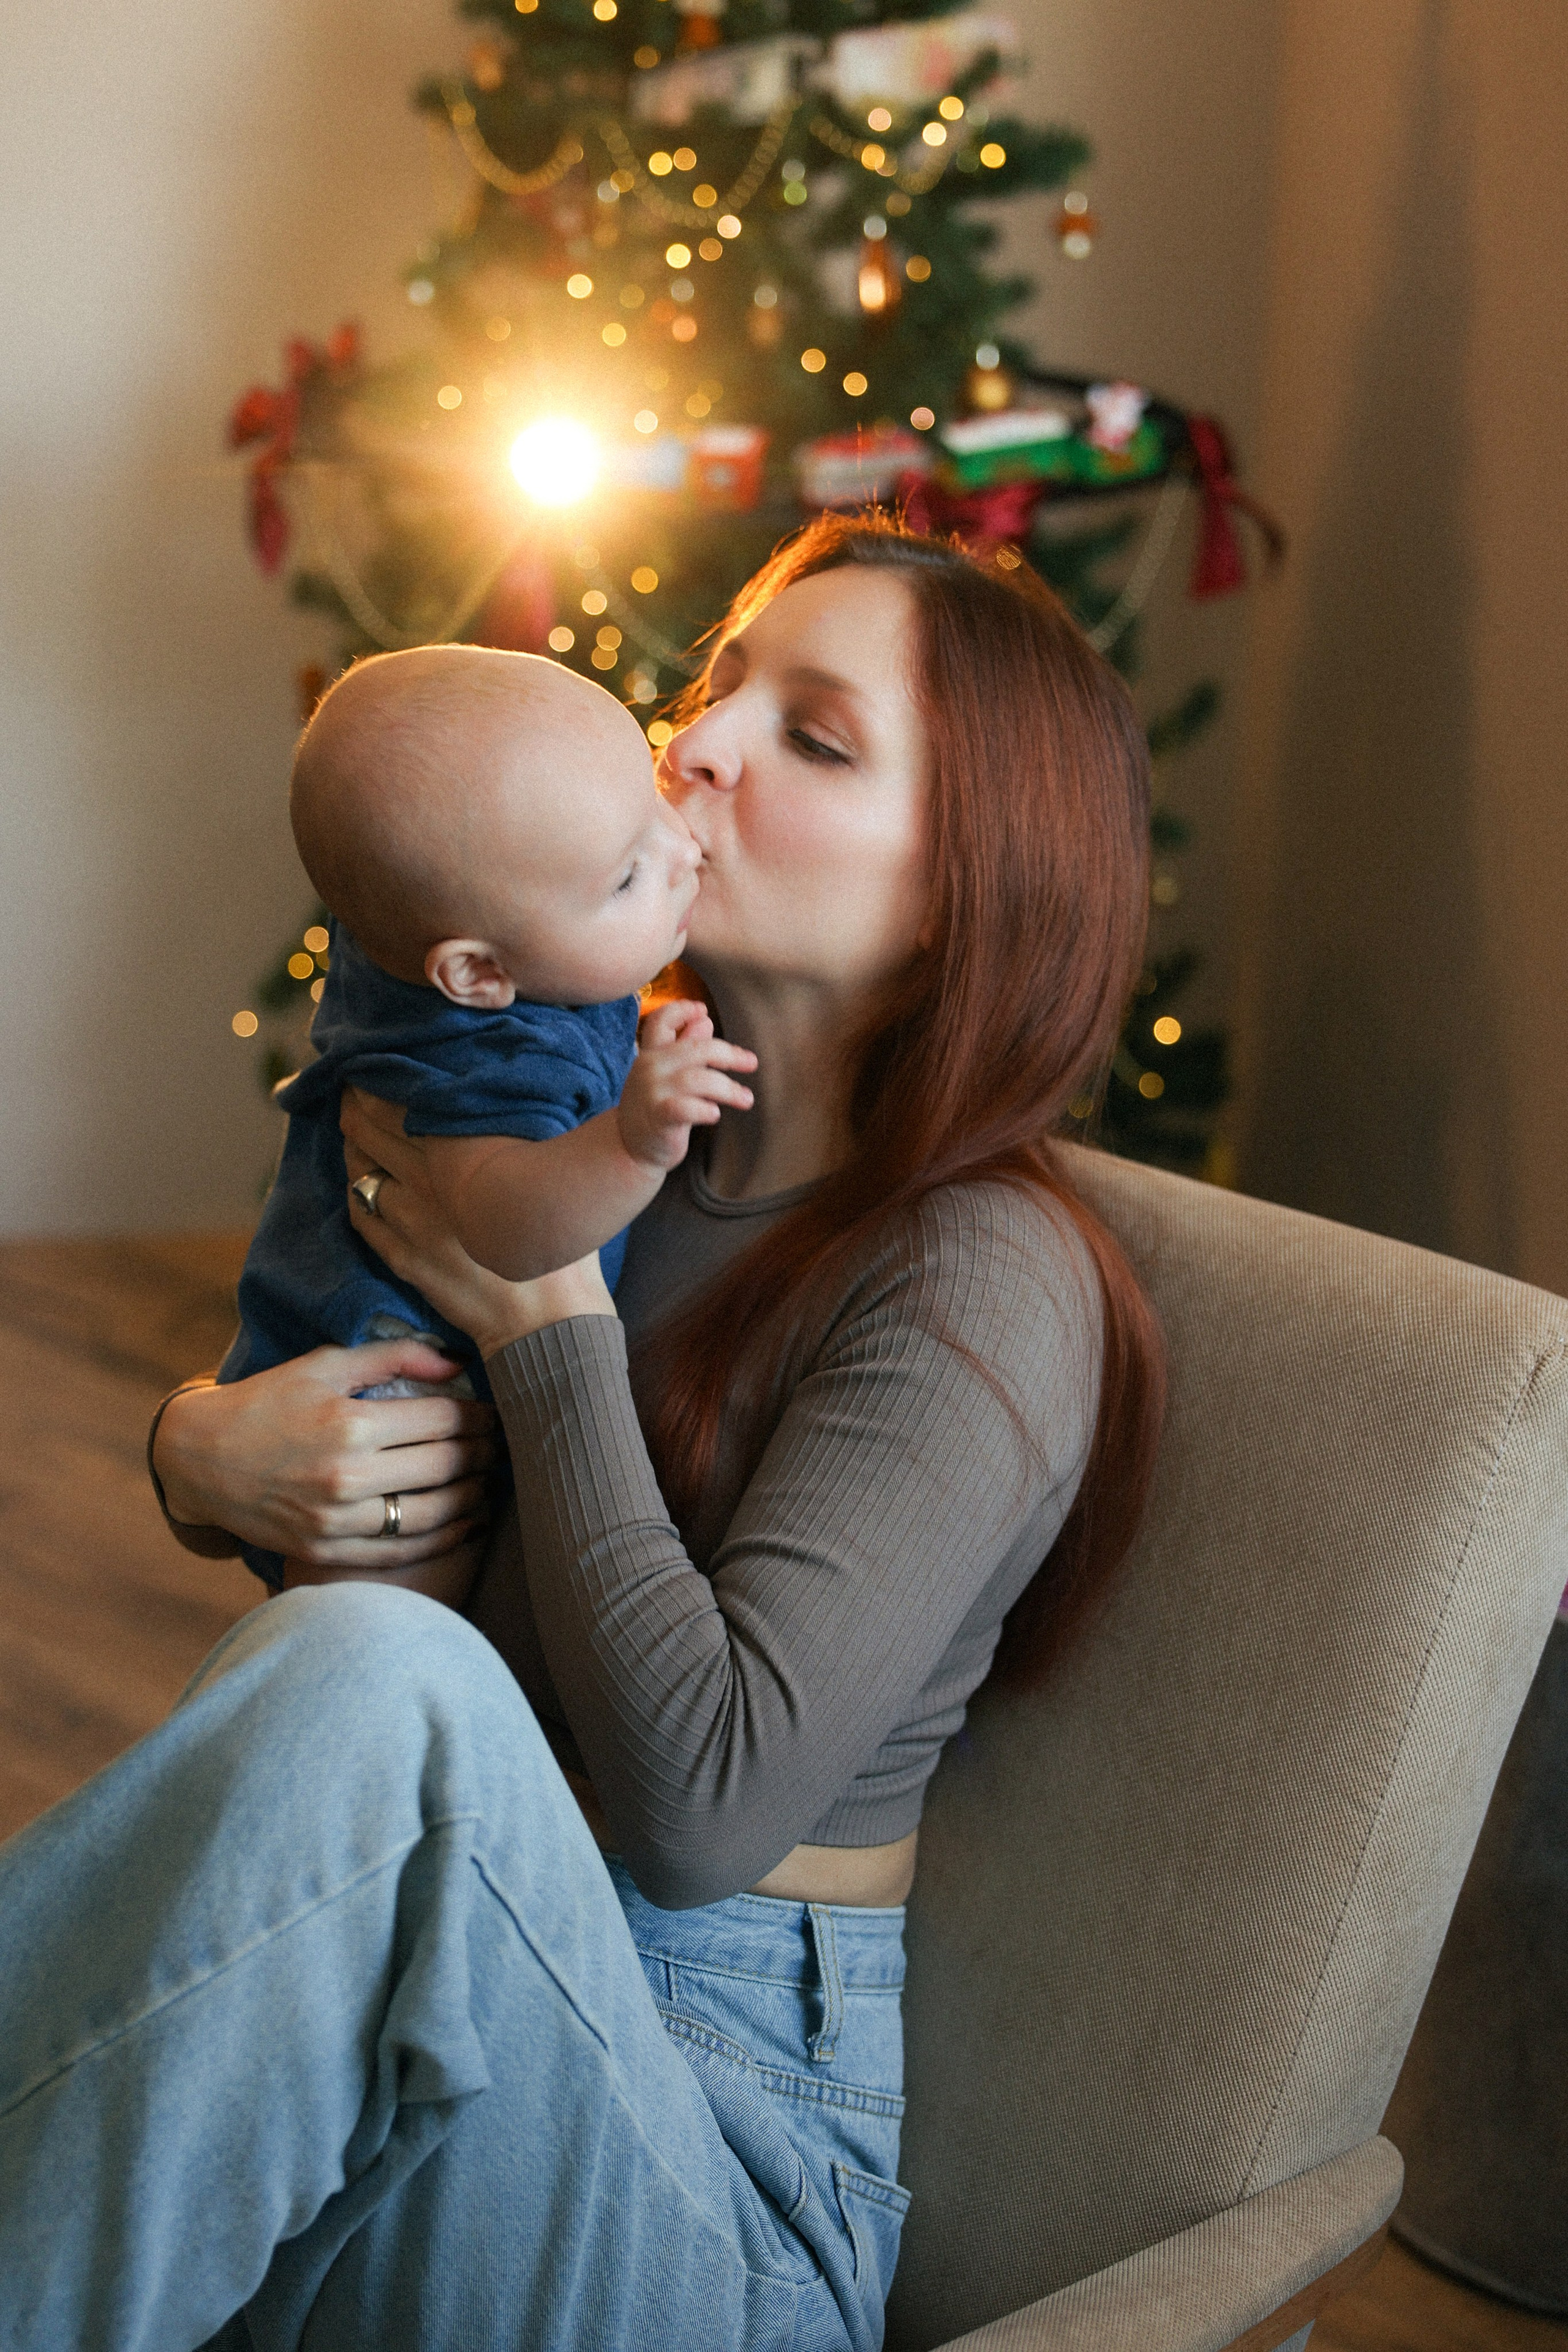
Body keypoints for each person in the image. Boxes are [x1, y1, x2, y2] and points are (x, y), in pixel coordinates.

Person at [0, 513, 1166, 2352]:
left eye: (818, 737)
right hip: (429, 2003)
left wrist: (548, 1318)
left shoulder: (979, 1271)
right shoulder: (592, 1134)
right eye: (720, 687)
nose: (692, 747)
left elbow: (700, 1809)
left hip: (723, 2173)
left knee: (381, 1681)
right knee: (361, 1668)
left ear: (962, 886)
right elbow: (362, 1412)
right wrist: (196, 1448)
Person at [218, 647, 752, 1596]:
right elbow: (503, 1225)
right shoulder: (491, 1055)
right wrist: (630, 1137)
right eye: (627, 878)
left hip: (340, 1366)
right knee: (386, 1640)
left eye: (650, 803)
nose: (682, 850)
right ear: (474, 977)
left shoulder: (463, 931)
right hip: (390, 1396)